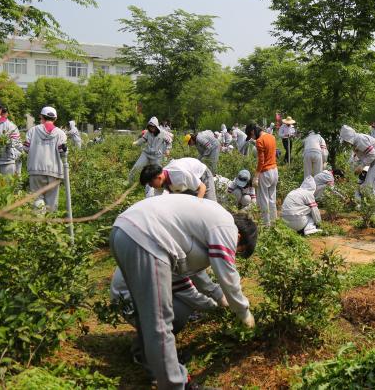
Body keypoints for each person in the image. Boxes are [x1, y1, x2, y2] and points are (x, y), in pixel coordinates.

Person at [110, 195, 257, 389]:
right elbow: (228, 275)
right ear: (238, 237)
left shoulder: (204, 223)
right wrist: (243, 311)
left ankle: (153, 364)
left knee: (151, 317)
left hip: (123, 230)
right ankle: (175, 384)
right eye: (238, 250)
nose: (233, 253)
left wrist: (217, 295)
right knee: (160, 321)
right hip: (148, 238)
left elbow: (196, 271)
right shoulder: (226, 226)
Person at [23, 106, 68, 212]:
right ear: (55, 119)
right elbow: (63, 151)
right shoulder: (60, 133)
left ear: (41, 117)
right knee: (52, 200)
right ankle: (50, 224)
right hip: (54, 171)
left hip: (36, 169)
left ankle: (39, 224)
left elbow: (25, 148)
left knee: (37, 198)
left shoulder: (32, 131)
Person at [340, 125, 375, 217]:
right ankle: (374, 212)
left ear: (348, 138)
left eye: (345, 141)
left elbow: (373, 154)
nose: (345, 143)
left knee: (371, 187)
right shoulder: (356, 142)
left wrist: (362, 166)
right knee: (366, 187)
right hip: (374, 163)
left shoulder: (360, 140)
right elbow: (363, 156)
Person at [140, 157, 217, 201]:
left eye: (151, 183)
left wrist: (197, 205)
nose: (151, 186)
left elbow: (202, 187)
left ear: (158, 178)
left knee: (209, 204)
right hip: (186, 181)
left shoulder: (179, 174)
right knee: (184, 201)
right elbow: (158, 200)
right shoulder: (160, 181)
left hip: (201, 175)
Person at [247, 123, 278, 224]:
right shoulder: (272, 137)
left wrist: (256, 176)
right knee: (272, 199)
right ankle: (274, 223)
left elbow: (261, 161)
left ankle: (266, 225)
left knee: (263, 200)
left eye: (251, 135)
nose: (252, 138)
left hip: (265, 173)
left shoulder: (260, 141)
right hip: (274, 170)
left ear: (252, 131)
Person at [129, 117, 172, 184]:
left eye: (153, 127)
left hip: (157, 156)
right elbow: (143, 139)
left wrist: (168, 149)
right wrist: (136, 142)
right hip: (146, 154)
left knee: (158, 172)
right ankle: (129, 181)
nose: (151, 128)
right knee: (137, 166)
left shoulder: (162, 133)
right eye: (150, 127)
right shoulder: (148, 133)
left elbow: (169, 141)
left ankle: (158, 186)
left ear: (156, 126)